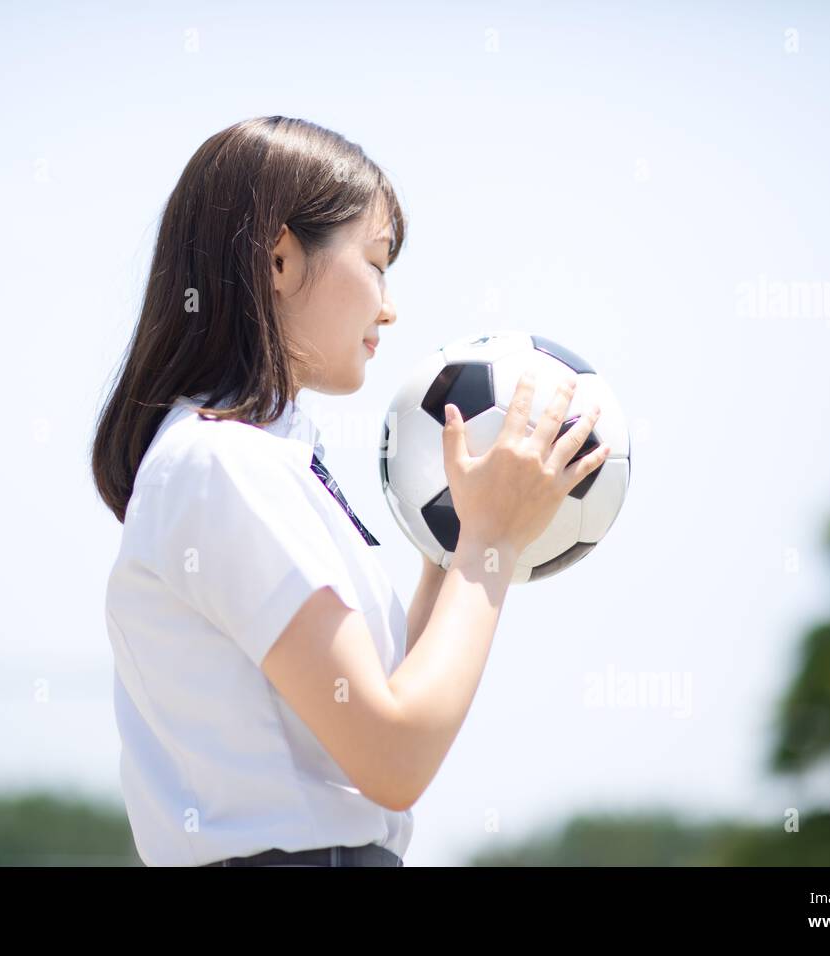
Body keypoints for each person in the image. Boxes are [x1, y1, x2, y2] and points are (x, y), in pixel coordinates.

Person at [91, 116, 608, 867]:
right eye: (376, 261)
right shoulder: (218, 465)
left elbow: (398, 714)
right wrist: (491, 544)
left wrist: (458, 541)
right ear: (278, 257)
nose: (389, 306)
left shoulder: (269, 457)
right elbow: (393, 759)